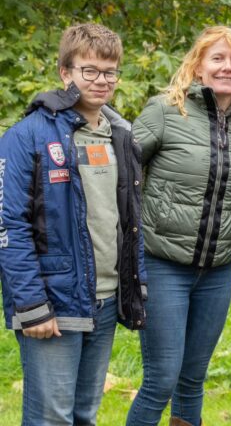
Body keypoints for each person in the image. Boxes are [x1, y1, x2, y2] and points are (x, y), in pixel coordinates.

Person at [0, 23, 146, 425]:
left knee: (84, 414)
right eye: (90, 71)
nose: (101, 81)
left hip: (102, 299)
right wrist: (31, 306)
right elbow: (8, 223)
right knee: (52, 417)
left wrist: (136, 283)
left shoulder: (121, 134)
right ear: (66, 72)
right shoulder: (27, 136)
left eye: (110, 71)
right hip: (52, 303)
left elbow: (131, 218)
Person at [126, 26, 231, 426]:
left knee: (192, 379)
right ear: (198, 66)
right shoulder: (166, 110)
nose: (227, 67)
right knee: (162, 378)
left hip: (218, 272)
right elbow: (126, 175)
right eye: (217, 58)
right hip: (164, 265)